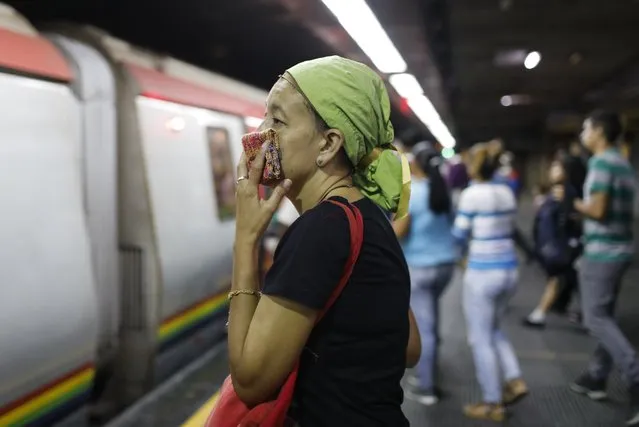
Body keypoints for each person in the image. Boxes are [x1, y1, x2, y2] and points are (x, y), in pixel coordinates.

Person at [227, 55, 420, 426]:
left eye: (278, 121)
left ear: (329, 144)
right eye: (264, 116)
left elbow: (250, 383)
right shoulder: (369, 217)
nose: (258, 134)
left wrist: (245, 240)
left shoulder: (320, 229)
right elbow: (409, 346)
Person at [569, 110, 639, 425]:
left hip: (602, 252)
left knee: (594, 318)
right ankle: (597, 376)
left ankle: (635, 375)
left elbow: (597, 209)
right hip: (622, 248)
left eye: (586, 127)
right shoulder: (623, 162)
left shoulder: (600, 162)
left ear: (598, 131)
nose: (583, 133)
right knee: (606, 316)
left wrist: (572, 204)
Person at [452, 143, 528, 422]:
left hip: (483, 273)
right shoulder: (507, 191)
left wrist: (459, 257)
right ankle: (514, 379)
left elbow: (459, 236)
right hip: (509, 270)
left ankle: (493, 402)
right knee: (496, 329)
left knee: (480, 338)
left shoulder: (472, 195)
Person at [393, 141, 460, 406]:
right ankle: (430, 368)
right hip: (446, 265)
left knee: (425, 327)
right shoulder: (443, 190)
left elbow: (400, 231)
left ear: (416, 163)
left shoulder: (412, 194)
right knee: (432, 318)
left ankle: (426, 386)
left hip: (420, 267)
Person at [523, 158, 582, 328]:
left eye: (557, 167)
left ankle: (539, 314)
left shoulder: (567, 192)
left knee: (558, 280)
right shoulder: (554, 192)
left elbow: (571, 219)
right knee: (565, 280)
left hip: (560, 248)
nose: (552, 170)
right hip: (553, 247)